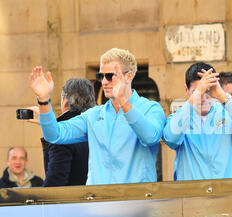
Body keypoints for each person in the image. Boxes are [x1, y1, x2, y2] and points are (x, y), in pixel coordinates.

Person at [29, 48, 166, 185]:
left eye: (110, 76)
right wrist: (44, 100)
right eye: (101, 76)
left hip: (137, 201)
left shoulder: (151, 109)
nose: (104, 82)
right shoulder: (94, 114)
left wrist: (123, 102)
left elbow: (150, 137)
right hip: (99, 201)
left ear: (128, 76)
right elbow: (55, 135)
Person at [163, 62, 232, 181]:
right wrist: (197, 95)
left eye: (208, 92)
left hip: (231, 195)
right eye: (197, 92)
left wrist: (221, 95)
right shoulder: (179, 117)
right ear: (186, 90)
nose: (203, 99)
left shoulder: (228, 112)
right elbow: (170, 139)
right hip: (193, 196)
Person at [28, 78, 96, 186]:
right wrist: (49, 125)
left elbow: (55, 182)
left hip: (73, 201)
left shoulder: (63, 135)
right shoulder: (98, 126)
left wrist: (52, 127)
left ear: (65, 102)